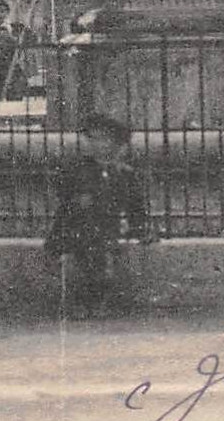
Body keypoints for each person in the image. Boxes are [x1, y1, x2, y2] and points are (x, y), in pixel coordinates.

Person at [44, 113, 155, 318]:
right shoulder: (77, 169)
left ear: (116, 144)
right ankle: (86, 300)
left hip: (106, 227)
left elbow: (135, 206)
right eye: (93, 139)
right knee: (88, 252)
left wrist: (139, 229)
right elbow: (62, 195)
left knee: (98, 253)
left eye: (104, 139)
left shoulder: (124, 174)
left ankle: (95, 300)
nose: (97, 145)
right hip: (75, 227)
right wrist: (77, 200)